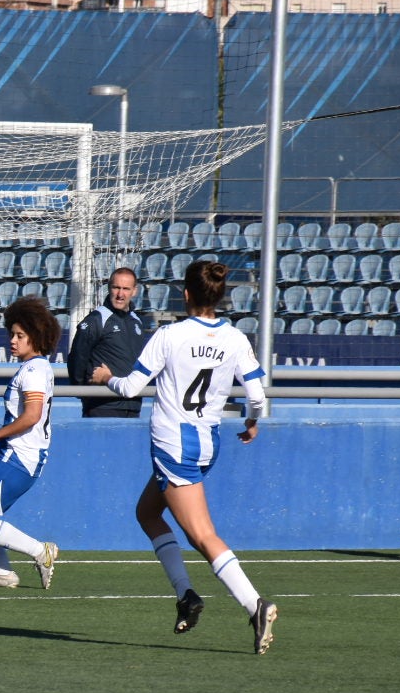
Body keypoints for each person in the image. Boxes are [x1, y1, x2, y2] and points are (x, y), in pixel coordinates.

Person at [89, 259, 277, 654]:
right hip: (207, 443)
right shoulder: (234, 338)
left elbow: (129, 388)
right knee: (147, 513)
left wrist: (106, 377)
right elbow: (258, 396)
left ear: (186, 294)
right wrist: (251, 421)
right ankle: (186, 596)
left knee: (202, 535)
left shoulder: (170, 335)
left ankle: (254, 604)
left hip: (174, 444)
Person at [0, 296, 62, 589]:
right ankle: (3, 573)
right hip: (10, 453)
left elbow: (32, 415)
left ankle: (40, 551)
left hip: (21, 456)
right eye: (12, 334)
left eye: (20, 335)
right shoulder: (34, 368)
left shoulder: (34, 370)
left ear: (37, 336)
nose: (13, 340)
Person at [67, 266, 151, 418]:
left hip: (132, 406)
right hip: (102, 406)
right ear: (109, 288)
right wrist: (85, 392)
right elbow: (77, 359)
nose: (120, 294)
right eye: (116, 287)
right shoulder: (96, 320)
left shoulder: (137, 322)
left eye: (126, 289)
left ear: (134, 291)